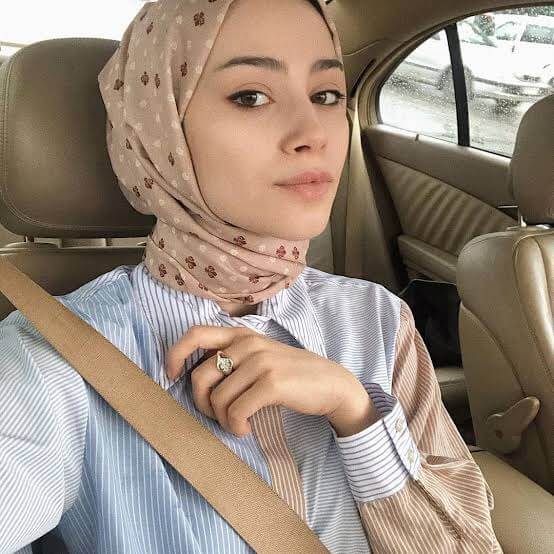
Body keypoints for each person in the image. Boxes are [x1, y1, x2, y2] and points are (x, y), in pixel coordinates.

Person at [0, 0, 502, 552]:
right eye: (250, 97)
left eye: (326, 95)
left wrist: (356, 412)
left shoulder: (379, 320)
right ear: (159, 130)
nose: (313, 133)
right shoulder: (50, 360)